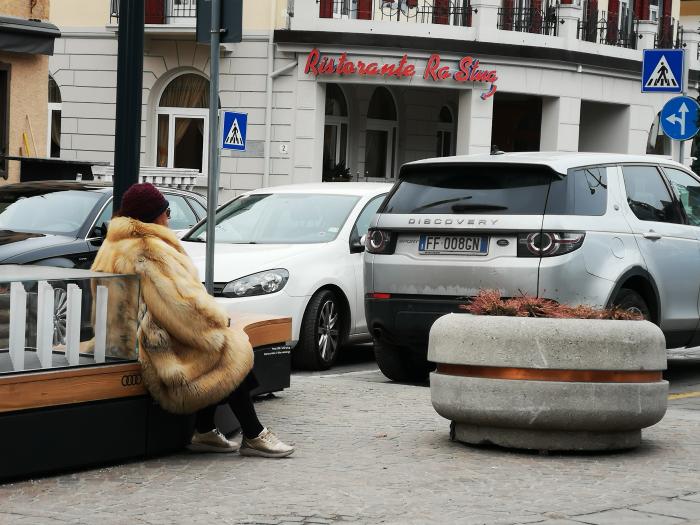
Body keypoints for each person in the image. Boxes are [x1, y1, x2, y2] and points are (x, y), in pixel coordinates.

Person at [91, 182, 294, 458]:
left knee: (217, 346)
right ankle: (254, 433)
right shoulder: (148, 249)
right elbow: (180, 307)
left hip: (122, 340)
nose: (169, 218)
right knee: (229, 348)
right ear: (153, 216)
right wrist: (218, 320)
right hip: (154, 348)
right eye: (167, 211)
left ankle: (206, 430)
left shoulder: (113, 245)